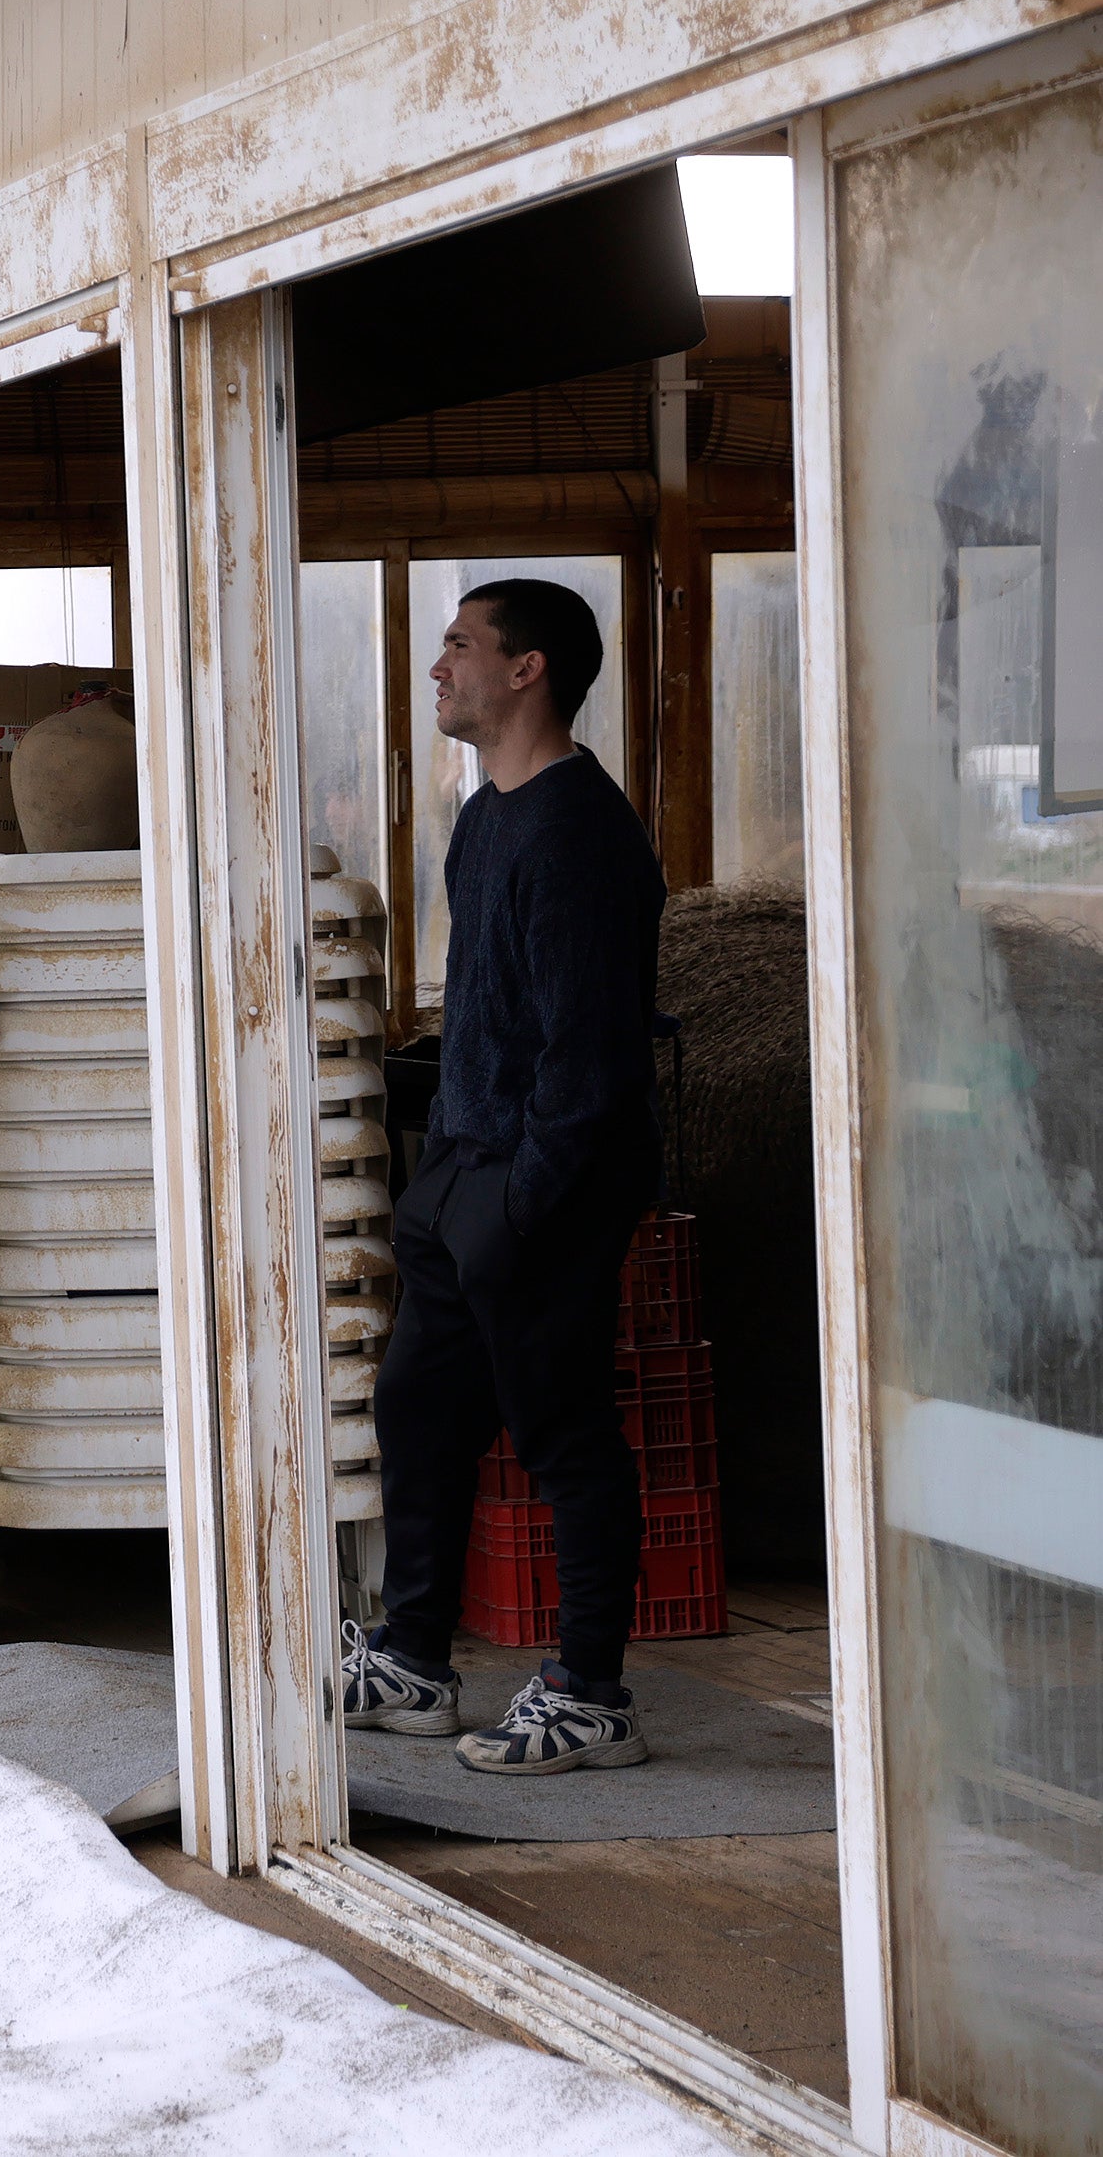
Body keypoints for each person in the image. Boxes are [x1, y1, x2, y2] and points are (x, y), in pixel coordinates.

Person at [341, 579, 666, 1775]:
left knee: (565, 1433)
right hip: (463, 1177)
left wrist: (518, 1203)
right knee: (418, 1414)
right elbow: (487, 1017)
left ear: (528, 670)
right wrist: (440, 1187)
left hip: (544, 1187)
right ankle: (415, 1663)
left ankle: (593, 1694)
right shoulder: (486, 818)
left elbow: (589, 1063)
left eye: (460, 645)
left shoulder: (580, 834)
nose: (438, 668)